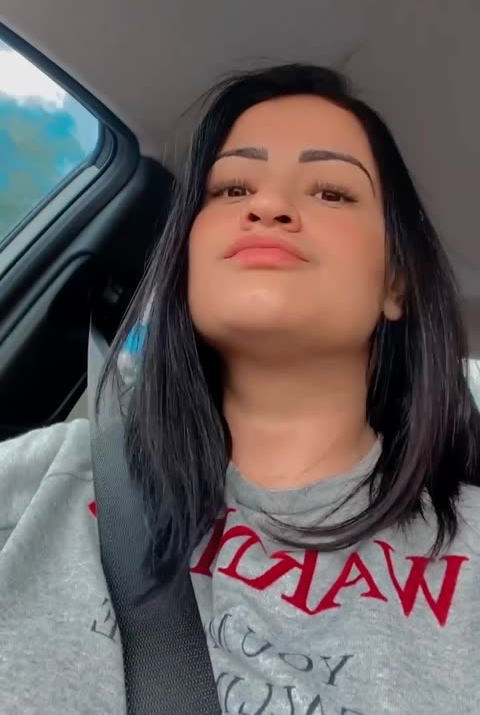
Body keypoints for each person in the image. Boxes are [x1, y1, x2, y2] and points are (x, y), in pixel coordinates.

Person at [1, 64, 479, 715]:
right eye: (230, 188)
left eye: (332, 192)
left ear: (395, 282)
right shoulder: (41, 481)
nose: (267, 207)